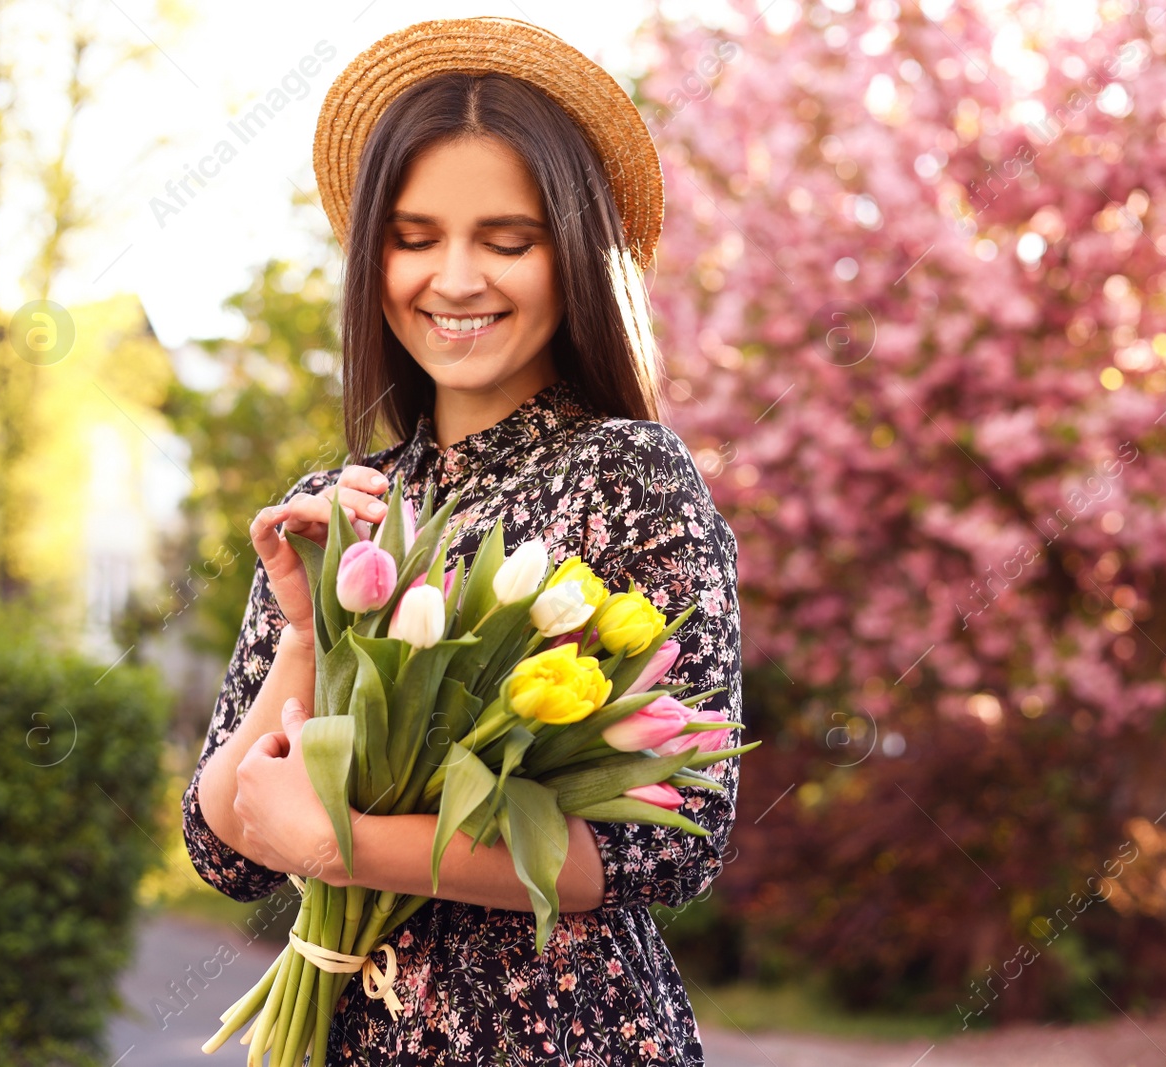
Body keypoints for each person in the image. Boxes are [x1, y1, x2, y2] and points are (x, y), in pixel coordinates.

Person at [180, 17, 744, 1066]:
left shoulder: (628, 477)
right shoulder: (342, 509)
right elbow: (223, 844)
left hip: (566, 1036)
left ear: (568, 254)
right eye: (413, 236)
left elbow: (673, 838)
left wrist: (335, 844)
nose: (455, 278)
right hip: (351, 1034)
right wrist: (305, 634)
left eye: (508, 240)